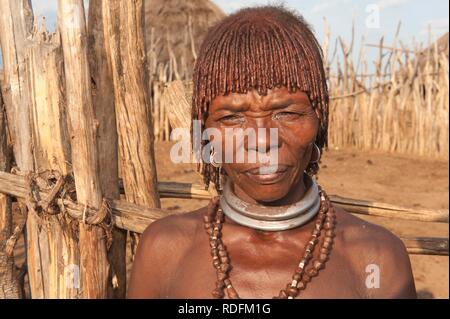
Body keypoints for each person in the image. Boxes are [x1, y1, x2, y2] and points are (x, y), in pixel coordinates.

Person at [128, 5, 416, 299]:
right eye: (232, 118)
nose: (262, 141)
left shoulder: (375, 257)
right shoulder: (165, 250)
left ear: (320, 120)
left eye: (287, 113)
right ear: (205, 133)